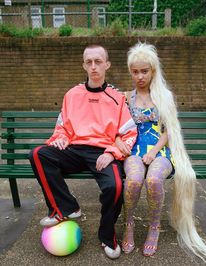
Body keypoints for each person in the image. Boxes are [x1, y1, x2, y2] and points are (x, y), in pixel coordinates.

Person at [115, 42, 206, 266]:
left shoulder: (164, 96)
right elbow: (115, 126)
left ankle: (154, 227)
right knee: (134, 181)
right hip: (134, 150)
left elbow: (170, 131)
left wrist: (155, 152)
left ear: (153, 71)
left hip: (161, 150)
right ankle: (128, 224)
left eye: (144, 71)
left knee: (154, 179)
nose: (140, 76)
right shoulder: (126, 97)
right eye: (135, 71)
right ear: (130, 71)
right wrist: (119, 140)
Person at [29, 44, 137, 260]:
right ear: (84, 66)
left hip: (102, 152)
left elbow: (128, 134)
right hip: (74, 150)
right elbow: (62, 126)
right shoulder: (72, 94)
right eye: (89, 62)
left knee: (115, 187)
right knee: (38, 154)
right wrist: (60, 138)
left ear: (107, 64)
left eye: (98, 61)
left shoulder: (117, 98)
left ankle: (107, 236)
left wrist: (112, 152)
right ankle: (64, 208)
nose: (94, 66)